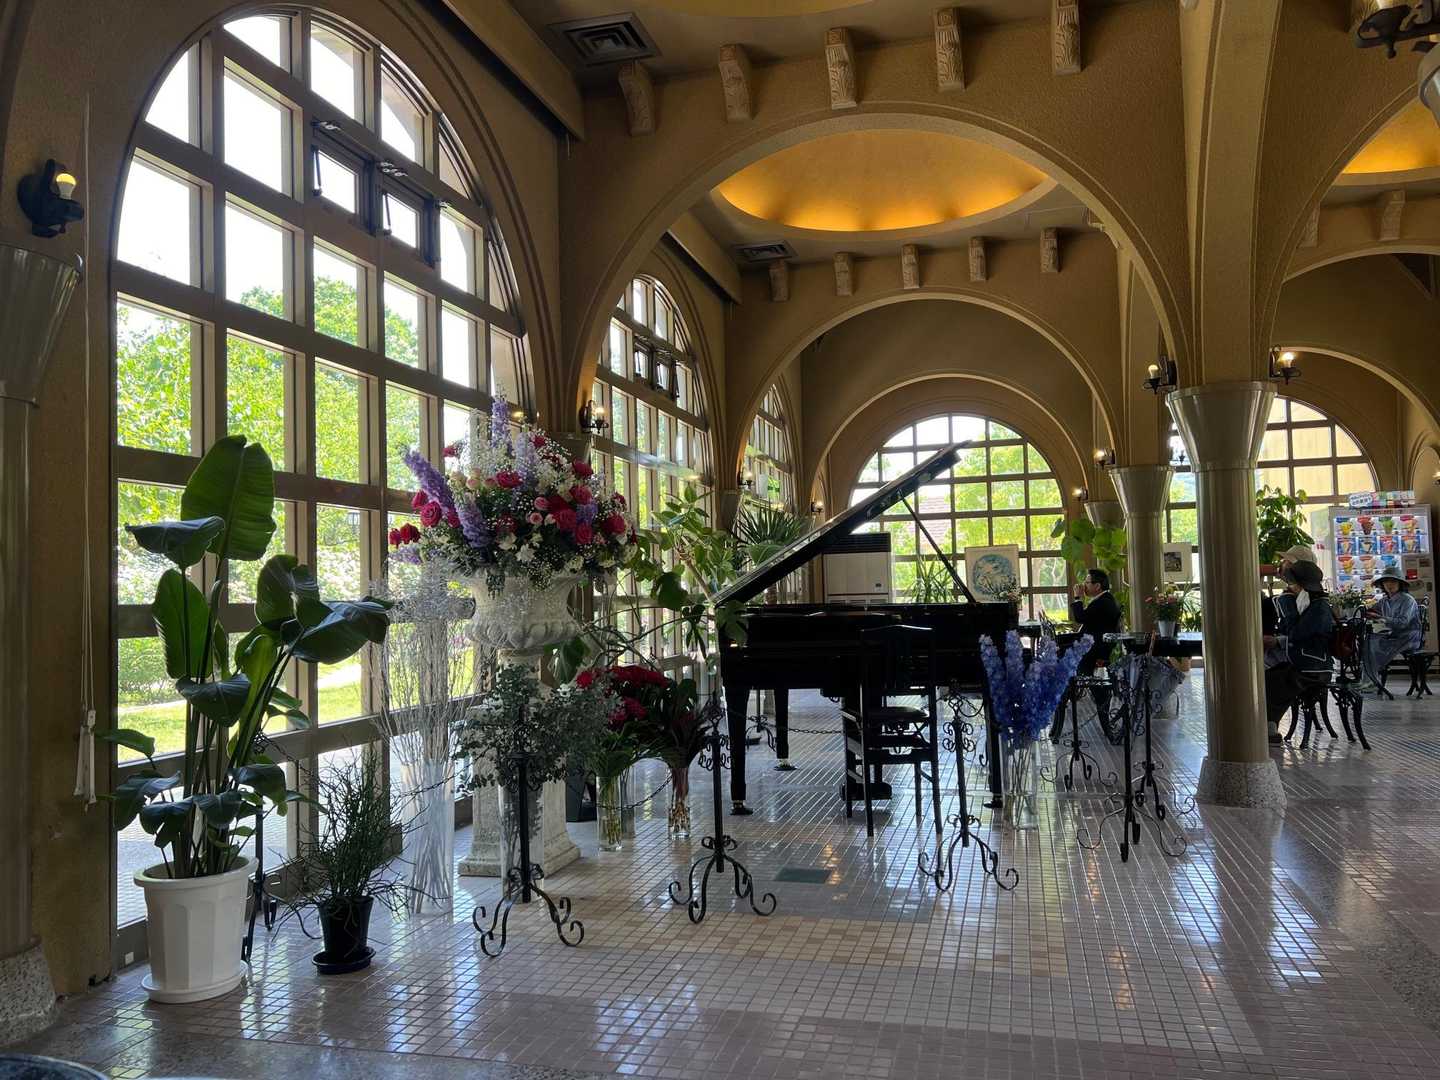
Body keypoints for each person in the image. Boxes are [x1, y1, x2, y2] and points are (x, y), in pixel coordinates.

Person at [1263, 560, 1335, 745]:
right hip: (1304, 664)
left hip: (1314, 669)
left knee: (1274, 681)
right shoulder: (1309, 604)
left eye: (1292, 584)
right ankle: (1269, 725)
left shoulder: (1319, 608)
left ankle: (1269, 728)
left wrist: (1286, 605)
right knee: (1268, 677)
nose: (1289, 589)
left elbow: (1295, 633)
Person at [1362, 572, 1423, 688]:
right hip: (1395, 635)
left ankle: (1371, 681)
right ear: (1382, 585)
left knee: (1373, 645)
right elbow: (1371, 610)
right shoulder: (1384, 601)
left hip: (1409, 636)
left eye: (1393, 581)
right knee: (1369, 641)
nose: (1389, 584)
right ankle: (1370, 679)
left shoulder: (1407, 600)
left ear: (1400, 584)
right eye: (1386, 582)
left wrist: (1381, 618)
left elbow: (1403, 623)